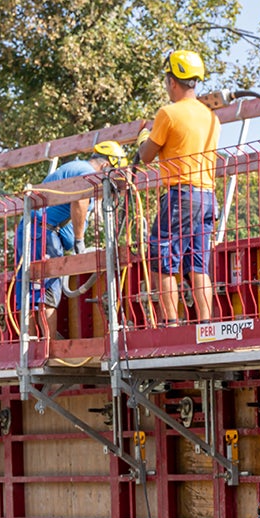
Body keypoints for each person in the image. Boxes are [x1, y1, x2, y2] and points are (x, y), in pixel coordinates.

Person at [137, 48, 221, 324]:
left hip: (180, 195)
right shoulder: (211, 118)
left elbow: (147, 155)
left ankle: (171, 323)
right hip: (207, 195)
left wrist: (143, 136)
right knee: (198, 263)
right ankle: (206, 322)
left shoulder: (168, 114)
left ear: (172, 81)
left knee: (163, 259)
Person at [16, 141, 128, 345]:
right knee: (45, 289)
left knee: (33, 290)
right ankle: (46, 346)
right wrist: (78, 241)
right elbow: (80, 201)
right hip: (42, 233)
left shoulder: (76, 168)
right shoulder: (86, 172)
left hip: (38, 232)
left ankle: (33, 344)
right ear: (106, 166)